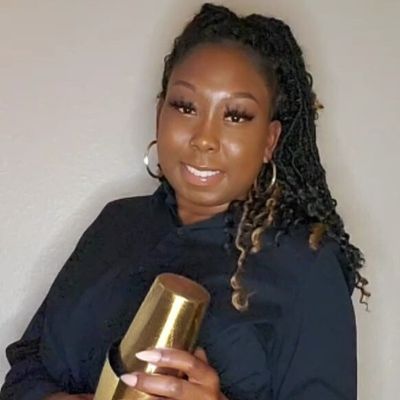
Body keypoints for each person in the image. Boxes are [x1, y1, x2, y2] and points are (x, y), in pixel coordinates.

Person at [0, 3, 370, 400]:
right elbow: (24, 371)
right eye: (185, 107)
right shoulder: (116, 224)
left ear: (270, 140)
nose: (204, 138)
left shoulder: (306, 265)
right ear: (160, 113)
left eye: (236, 115)